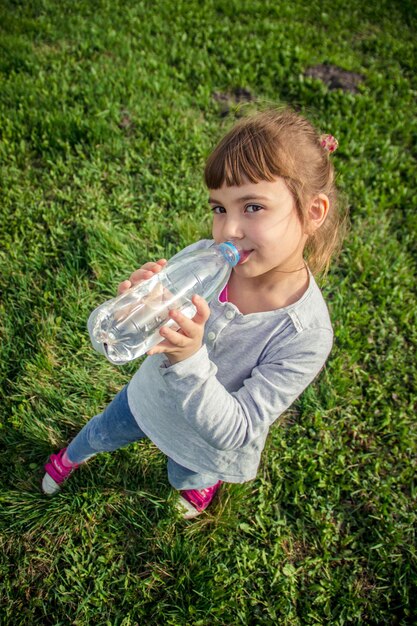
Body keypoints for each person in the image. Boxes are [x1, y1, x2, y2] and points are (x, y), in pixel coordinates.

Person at [42, 108, 346, 519]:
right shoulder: (204, 259)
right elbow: (156, 318)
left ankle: (198, 484)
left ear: (312, 213)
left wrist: (189, 358)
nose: (228, 230)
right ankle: (73, 455)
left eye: (252, 207)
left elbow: (237, 430)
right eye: (219, 208)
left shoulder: (305, 334)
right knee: (104, 430)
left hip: (206, 441)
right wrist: (144, 307)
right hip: (151, 397)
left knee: (189, 473)